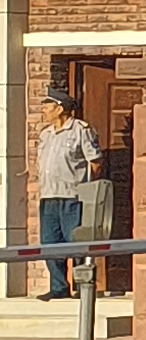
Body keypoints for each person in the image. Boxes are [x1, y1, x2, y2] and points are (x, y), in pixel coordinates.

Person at [33, 95, 99, 300]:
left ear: (60, 108)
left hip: (72, 197)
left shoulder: (81, 130)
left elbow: (95, 162)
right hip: (49, 196)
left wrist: (87, 190)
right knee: (49, 243)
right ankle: (59, 288)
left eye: (47, 106)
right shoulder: (46, 134)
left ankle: (82, 287)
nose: (43, 110)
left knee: (76, 242)